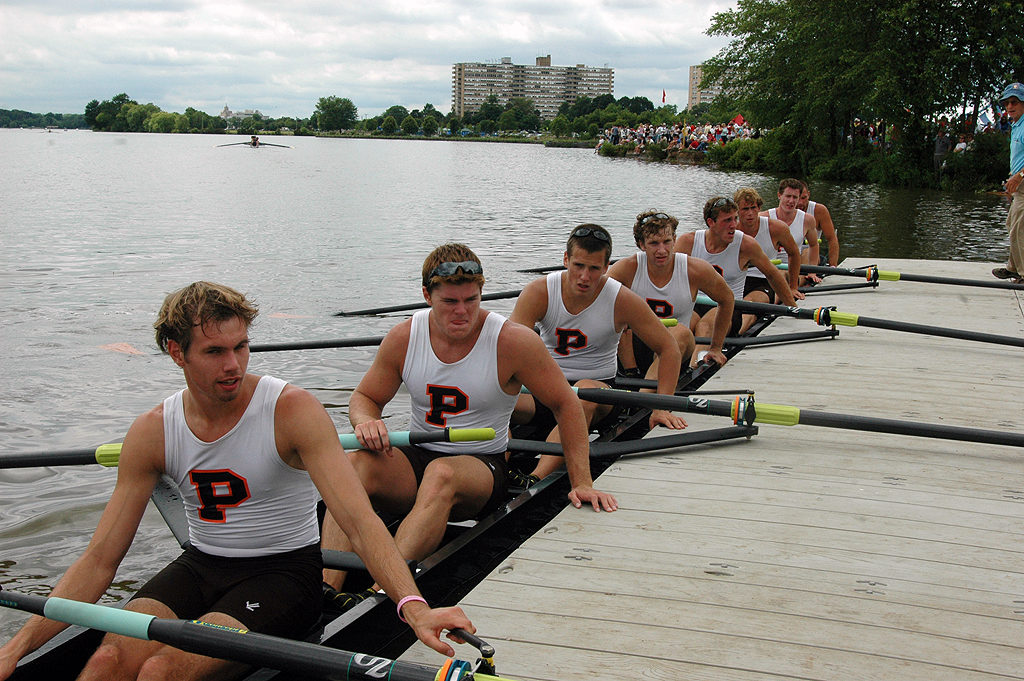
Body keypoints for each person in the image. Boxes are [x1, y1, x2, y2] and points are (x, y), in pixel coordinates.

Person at [0, 282, 472, 681]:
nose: (234, 365)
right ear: (175, 353)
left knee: (160, 671)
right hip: (199, 566)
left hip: (284, 576)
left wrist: (413, 607)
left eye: (241, 346)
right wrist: (17, 646)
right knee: (105, 661)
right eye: (215, 351)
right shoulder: (151, 431)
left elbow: (360, 522)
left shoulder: (291, 410)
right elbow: (100, 560)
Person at [321, 244, 617, 601]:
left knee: (441, 474)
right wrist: (366, 420)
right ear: (427, 296)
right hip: (417, 455)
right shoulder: (404, 337)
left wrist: (581, 480)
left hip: (482, 467)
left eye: (471, 300)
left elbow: (567, 405)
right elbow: (365, 398)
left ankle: (380, 594)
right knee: (353, 464)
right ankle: (327, 588)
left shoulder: (512, 341)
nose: (462, 312)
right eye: (449, 302)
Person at [511, 224, 687, 482]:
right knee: (493, 398)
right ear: (565, 259)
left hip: (598, 391)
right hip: (546, 389)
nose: (584, 277)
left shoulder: (621, 299)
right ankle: (497, 466)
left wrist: (662, 407)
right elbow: (508, 351)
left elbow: (668, 348)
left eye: (594, 269)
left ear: (606, 268)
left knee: (580, 397)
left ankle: (535, 477)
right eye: (578, 266)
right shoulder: (539, 292)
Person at [607, 210, 734, 371]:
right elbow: (596, 297)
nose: (662, 250)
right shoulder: (627, 268)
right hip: (635, 348)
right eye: (654, 243)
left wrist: (716, 347)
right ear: (641, 244)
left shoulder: (694, 269)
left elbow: (727, 299)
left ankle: (645, 392)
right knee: (619, 315)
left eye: (666, 242)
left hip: (677, 348)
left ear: (674, 240)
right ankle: (631, 373)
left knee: (679, 332)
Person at [676, 196, 799, 339]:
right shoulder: (687, 242)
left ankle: (699, 360)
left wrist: (792, 308)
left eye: (735, 219)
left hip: (729, 307)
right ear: (711, 222)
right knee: (679, 329)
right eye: (727, 220)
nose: (734, 225)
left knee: (705, 326)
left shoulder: (746, 244)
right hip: (696, 304)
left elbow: (772, 274)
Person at [734, 187, 803, 303]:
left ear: (759, 208)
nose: (750, 213)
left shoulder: (777, 228)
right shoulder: (730, 231)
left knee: (748, 306)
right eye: (745, 209)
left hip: (765, 280)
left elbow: (794, 253)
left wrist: (793, 287)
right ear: (737, 211)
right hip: (736, 281)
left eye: (753, 208)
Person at [993, 82, 1024, 284]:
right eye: (1007, 103)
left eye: (1015, 102)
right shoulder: (1017, 125)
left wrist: (1019, 176)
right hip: (1019, 185)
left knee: (1019, 229)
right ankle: (1014, 268)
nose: (1010, 107)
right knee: (1011, 224)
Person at [763, 179, 819, 282]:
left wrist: (812, 272)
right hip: (767, 270)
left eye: (795, 197)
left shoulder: (807, 220)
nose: (791, 201)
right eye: (788, 196)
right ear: (779, 195)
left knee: (782, 274)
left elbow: (814, 245)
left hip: (792, 271)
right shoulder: (764, 218)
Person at [796, 182, 840, 267]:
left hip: (810, 255)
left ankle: (802, 277)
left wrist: (833, 267)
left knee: (807, 252)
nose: (800, 203)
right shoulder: (784, 210)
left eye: (804, 198)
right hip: (790, 255)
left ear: (808, 194)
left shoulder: (819, 211)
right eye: (797, 198)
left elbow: (832, 239)